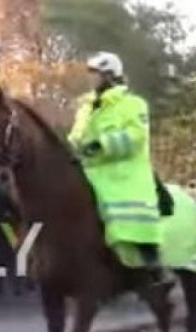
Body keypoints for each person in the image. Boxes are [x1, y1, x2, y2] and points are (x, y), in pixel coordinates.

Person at [67, 51, 174, 290]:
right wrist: (72, 148)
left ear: (109, 75)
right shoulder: (85, 108)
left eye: (95, 74)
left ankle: (154, 265)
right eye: (91, 74)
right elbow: (75, 137)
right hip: (90, 170)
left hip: (124, 174)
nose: (91, 79)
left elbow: (136, 137)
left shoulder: (134, 104)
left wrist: (101, 144)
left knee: (133, 223)